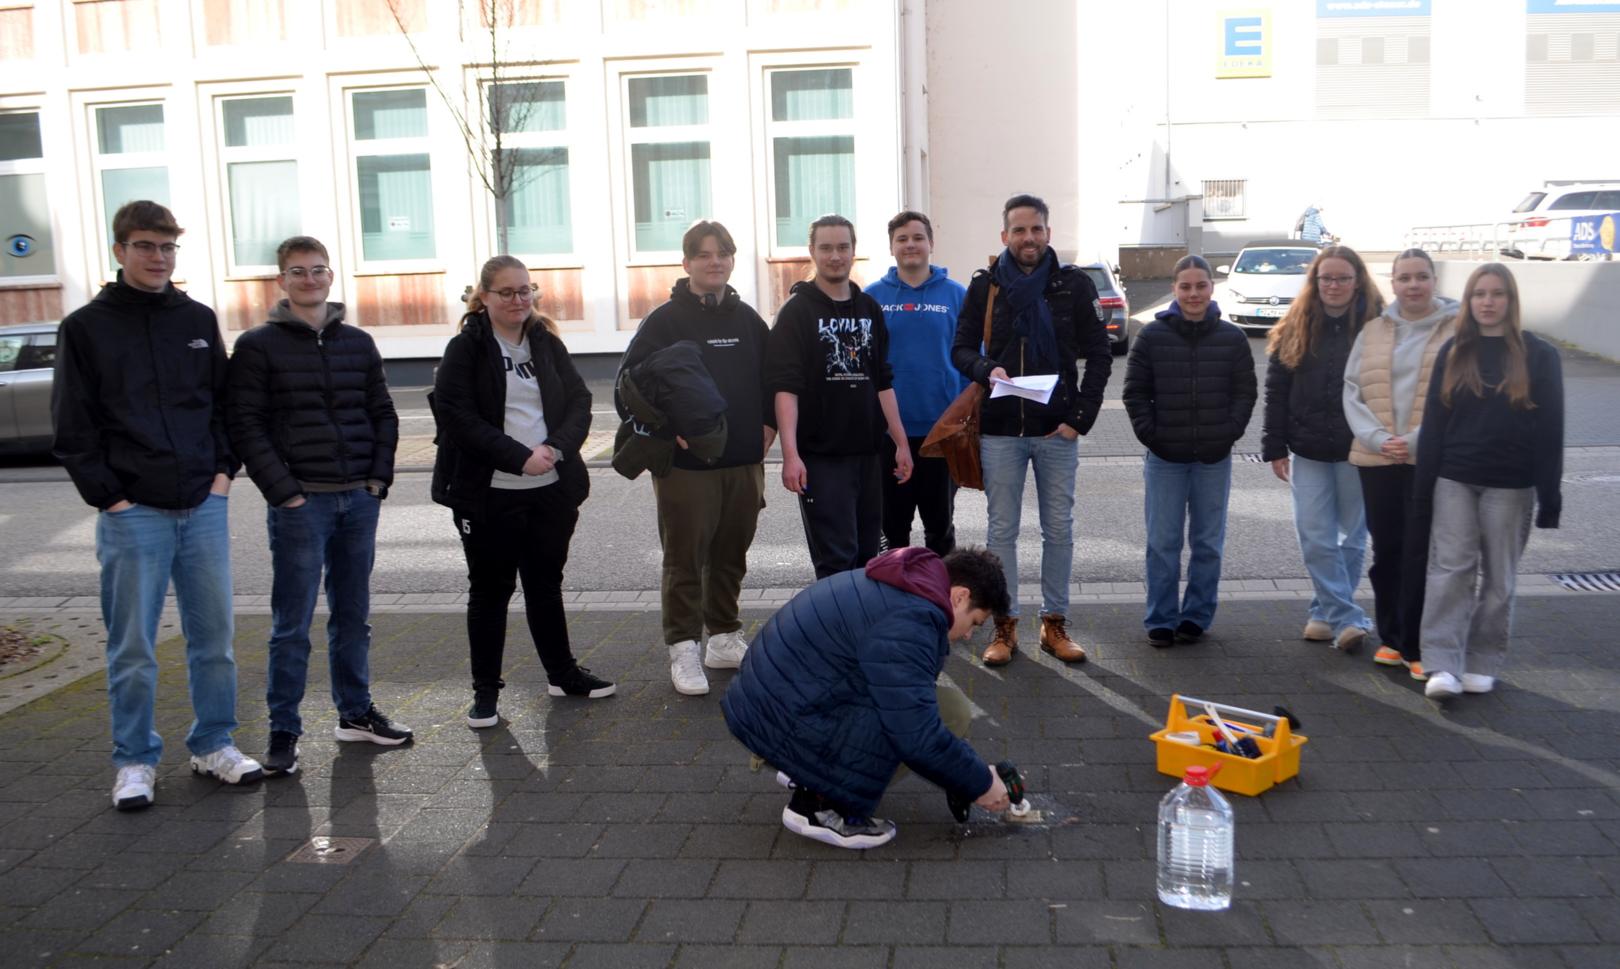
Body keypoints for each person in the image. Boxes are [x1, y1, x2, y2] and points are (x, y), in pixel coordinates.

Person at [52, 200, 261, 809]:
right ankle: (135, 760)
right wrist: (110, 498)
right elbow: (73, 425)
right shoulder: (86, 327)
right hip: (131, 511)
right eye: (146, 246)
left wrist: (223, 474)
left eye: (167, 247)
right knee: (134, 647)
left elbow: (223, 406)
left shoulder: (195, 318)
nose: (158, 257)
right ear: (120, 251)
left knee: (214, 640)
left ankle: (213, 744)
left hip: (203, 504)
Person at [228, 235, 409, 775]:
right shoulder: (257, 345)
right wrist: (284, 491)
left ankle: (355, 714)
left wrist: (377, 479)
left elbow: (383, 412)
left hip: (358, 497)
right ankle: (283, 729)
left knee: (353, 615)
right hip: (300, 503)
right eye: (298, 272)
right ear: (281, 281)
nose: (310, 280)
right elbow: (245, 424)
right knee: (293, 623)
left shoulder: (358, 341)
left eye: (318, 270)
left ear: (331, 277)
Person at [721, 546, 1013, 849]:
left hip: (772, 702)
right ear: (960, 596)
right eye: (975, 622)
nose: (969, 635)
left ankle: (805, 769)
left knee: (942, 709)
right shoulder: (911, 622)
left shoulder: (908, 583)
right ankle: (817, 806)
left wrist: (964, 775)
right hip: (782, 717)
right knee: (940, 717)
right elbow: (916, 733)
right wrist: (980, 783)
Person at [431, 256, 614, 727]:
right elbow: (456, 417)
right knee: (490, 592)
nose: (518, 300)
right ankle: (486, 692)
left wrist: (555, 448)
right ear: (484, 298)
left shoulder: (546, 343)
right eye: (507, 293)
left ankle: (562, 674)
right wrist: (518, 456)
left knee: (544, 585)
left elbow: (580, 401)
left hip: (550, 488)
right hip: (490, 492)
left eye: (525, 291)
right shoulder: (466, 348)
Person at [950, 194, 1113, 666]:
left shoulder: (1073, 285)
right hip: (1000, 430)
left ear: (1048, 233)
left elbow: (1099, 355)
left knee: (1058, 529)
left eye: (1036, 229)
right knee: (1002, 532)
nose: (1028, 238)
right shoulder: (985, 287)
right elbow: (960, 348)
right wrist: (985, 370)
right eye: (1019, 230)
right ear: (1004, 236)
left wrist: (1079, 418)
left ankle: (1055, 624)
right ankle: (1004, 627)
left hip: (1055, 431)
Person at [615, 221, 774, 696]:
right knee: (684, 559)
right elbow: (628, 390)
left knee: (731, 554)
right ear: (686, 263)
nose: (714, 262)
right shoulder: (665, 321)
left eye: (722, 253)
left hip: (744, 463)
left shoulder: (748, 320)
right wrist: (669, 431)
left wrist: (766, 429)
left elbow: (774, 380)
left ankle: (723, 636)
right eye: (704, 255)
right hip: (687, 469)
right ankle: (682, 646)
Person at [1416, 263, 1562, 701]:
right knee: (1450, 571)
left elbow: (1551, 430)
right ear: (1468, 300)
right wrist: (1423, 488)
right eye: (1479, 293)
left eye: (1497, 293)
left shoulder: (1539, 355)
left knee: (1500, 578)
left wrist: (1550, 497)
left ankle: (1481, 661)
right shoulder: (1454, 351)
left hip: (1511, 484)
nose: (1487, 301)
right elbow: (1434, 424)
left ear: (1510, 301)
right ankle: (1443, 664)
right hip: (1455, 478)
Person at [768, 214, 913, 579]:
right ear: (812, 252)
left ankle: (859, 631)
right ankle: (834, 633)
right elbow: (786, 388)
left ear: (854, 251)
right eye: (827, 248)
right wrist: (791, 455)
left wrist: (900, 443)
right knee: (836, 559)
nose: (835, 256)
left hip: (868, 454)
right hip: (821, 457)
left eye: (843, 247)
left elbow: (883, 381)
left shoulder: (869, 309)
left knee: (867, 557)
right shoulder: (796, 313)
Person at [1123, 255, 1258, 647]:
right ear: (1174, 289)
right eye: (1186, 286)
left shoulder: (1232, 338)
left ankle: (1196, 616)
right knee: (1162, 543)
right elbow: (1134, 393)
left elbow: (1245, 393)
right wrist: (1154, 437)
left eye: (1200, 286)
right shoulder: (1151, 336)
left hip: (1213, 459)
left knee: (1207, 544)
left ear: (1211, 288)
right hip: (1165, 459)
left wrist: (1228, 433)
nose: (1193, 293)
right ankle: (1161, 618)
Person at [1342, 248, 1458, 682]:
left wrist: (1412, 441)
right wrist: (1377, 438)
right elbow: (1351, 389)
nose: (1413, 285)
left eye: (1421, 277)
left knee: (1422, 552)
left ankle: (1420, 644)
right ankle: (1392, 638)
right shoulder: (1374, 330)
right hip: (1378, 458)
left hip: (1428, 459)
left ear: (1433, 280)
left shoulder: (1456, 330)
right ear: (1392, 282)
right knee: (1387, 550)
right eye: (1404, 277)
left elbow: (1459, 396)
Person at [1262, 245, 1384, 653]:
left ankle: (1324, 612)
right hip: (1308, 450)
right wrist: (1274, 445)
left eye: (1342, 278)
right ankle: (1347, 617)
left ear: (1357, 281)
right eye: (1326, 278)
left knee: (1351, 539)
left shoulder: (1379, 326)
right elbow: (1276, 392)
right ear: (1315, 282)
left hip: (1359, 450)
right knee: (1315, 538)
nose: (1333, 285)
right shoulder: (1295, 325)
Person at [863, 210, 968, 555]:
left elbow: (971, 360)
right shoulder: (871, 298)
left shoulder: (956, 295)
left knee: (940, 528)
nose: (911, 245)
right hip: (888, 434)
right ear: (891, 247)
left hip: (941, 432)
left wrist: (966, 421)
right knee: (893, 530)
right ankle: (897, 603)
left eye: (918, 237)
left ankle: (941, 604)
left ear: (931, 244)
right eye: (902, 239)